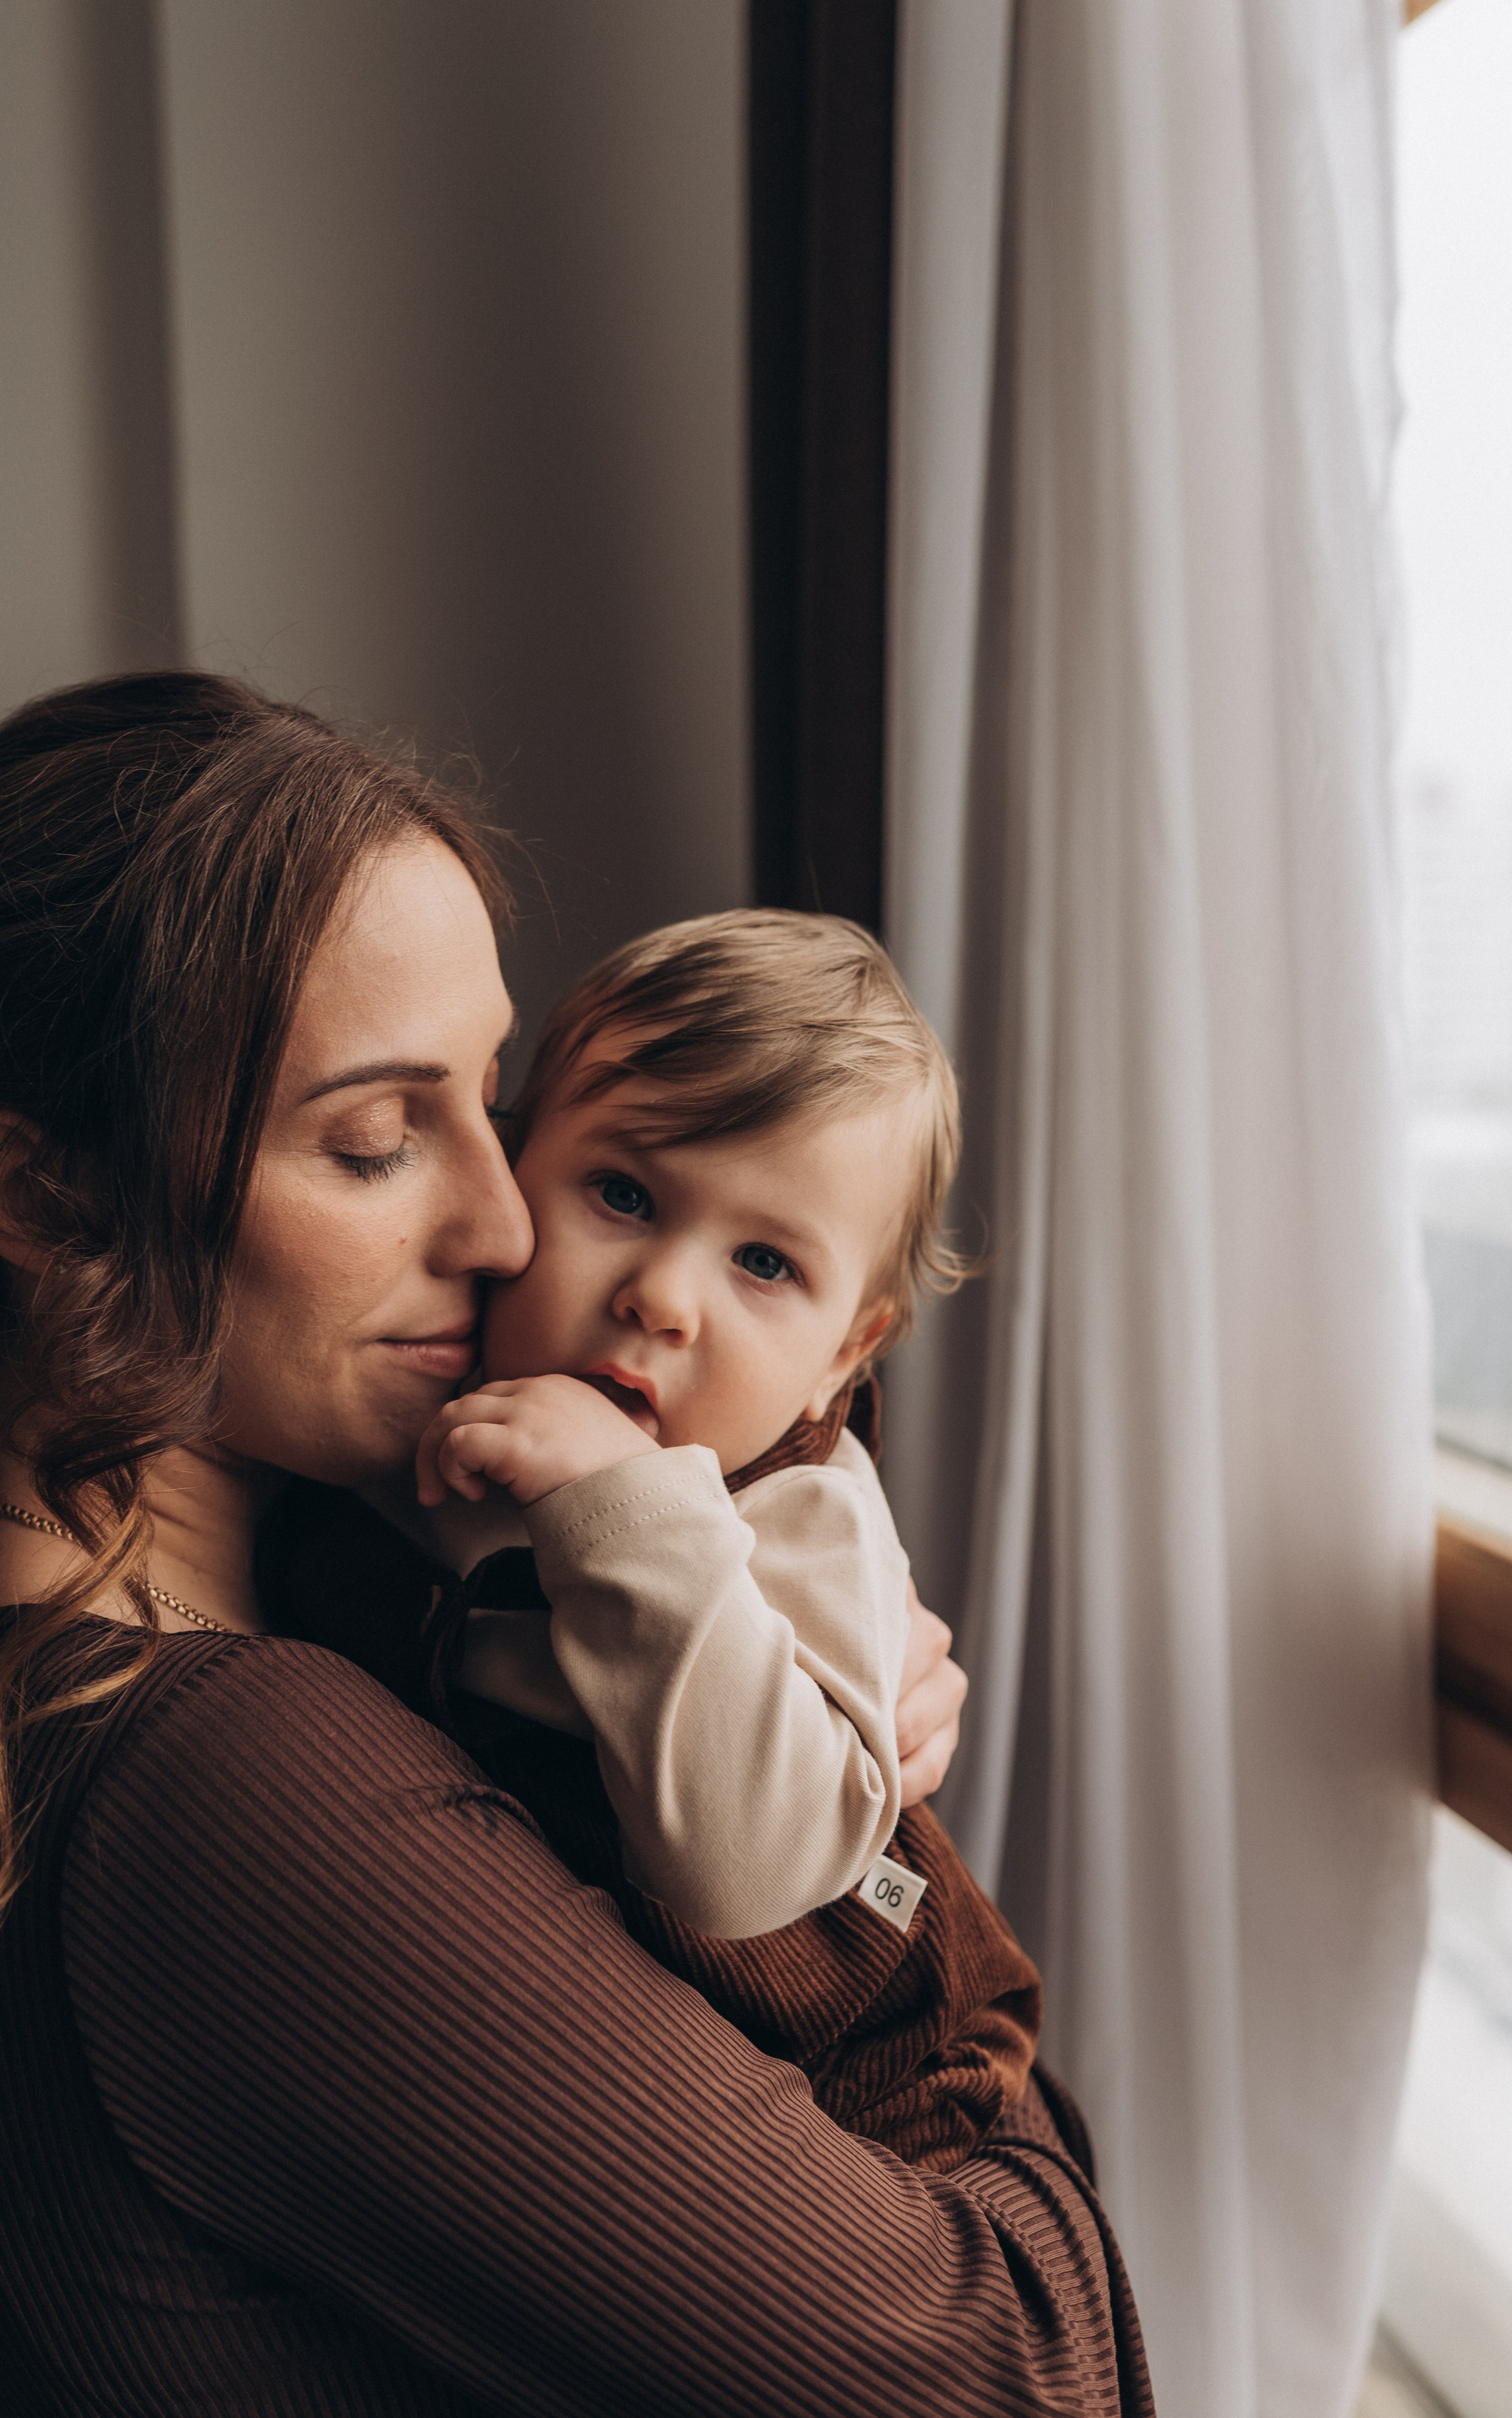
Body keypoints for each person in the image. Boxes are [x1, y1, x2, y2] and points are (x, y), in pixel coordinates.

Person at [0, 672, 1152, 2417]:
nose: (509, 1214)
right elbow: (1018, 2371)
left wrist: (795, 1657)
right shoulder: (230, 1784)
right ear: (44, 1196)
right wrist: (925, 1910)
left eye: (490, 1100)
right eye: (378, 1140)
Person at [403, 908, 1042, 2167]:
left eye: (763, 1261)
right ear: (516, 1166)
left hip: (886, 2058)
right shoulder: (424, 1401)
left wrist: (622, 1503)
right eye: (623, 1194)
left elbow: (747, 1876)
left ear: (843, 1357)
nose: (664, 1295)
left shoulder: (804, 1513)